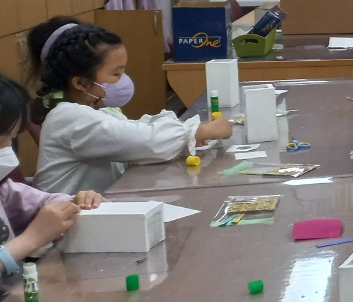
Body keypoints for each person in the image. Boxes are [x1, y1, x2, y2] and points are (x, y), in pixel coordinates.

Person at [27, 18, 231, 195]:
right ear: (80, 83)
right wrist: (199, 131)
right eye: (116, 74)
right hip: (72, 221)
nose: (122, 80)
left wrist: (186, 133)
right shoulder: (69, 118)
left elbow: (135, 129)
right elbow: (144, 142)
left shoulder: (95, 111)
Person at [0, 65, 102, 302]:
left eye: (11, 140)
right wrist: (29, 240)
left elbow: (44, 202)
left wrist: (75, 201)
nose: (6, 154)